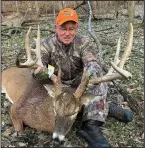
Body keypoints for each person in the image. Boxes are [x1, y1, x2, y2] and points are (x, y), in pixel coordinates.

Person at [32, 8, 133, 147]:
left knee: (100, 83)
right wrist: (43, 71)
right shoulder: (46, 45)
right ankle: (106, 107)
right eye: (63, 28)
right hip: (58, 86)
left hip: (78, 85)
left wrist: (91, 74)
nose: (67, 33)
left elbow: (92, 62)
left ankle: (90, 126)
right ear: (56, 27)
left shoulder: (83, 42)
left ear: (77, 28)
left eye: (71, 29)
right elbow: (39, 66)